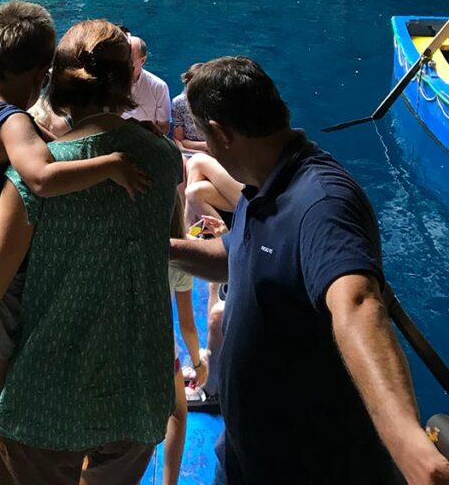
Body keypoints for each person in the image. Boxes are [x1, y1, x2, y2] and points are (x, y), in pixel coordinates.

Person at [169, 56, 449, 485]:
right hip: (248, 455)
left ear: (223, 135)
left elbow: (357, 303)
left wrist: (409, 445)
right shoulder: (261, 187)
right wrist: (163, 250)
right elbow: (235, 255)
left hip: (306, 465)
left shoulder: (321, 203)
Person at [0, 19, 182, 485]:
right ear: (128, 85)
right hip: (136, 396)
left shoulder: (35, 175)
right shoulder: (164, 160)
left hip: (45, 408)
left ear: (54, 83)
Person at [164, 194, 208, 485]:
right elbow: (188, 325)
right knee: (178, 413)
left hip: (110, 337)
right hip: (158, 347)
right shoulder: (179, 258)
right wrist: (198, 362)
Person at [123, 35, 172, 134]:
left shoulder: (158, 87)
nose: (124, 62)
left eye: (130, 59)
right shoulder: (109, 84)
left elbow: (163, 127)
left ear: (143, 60)